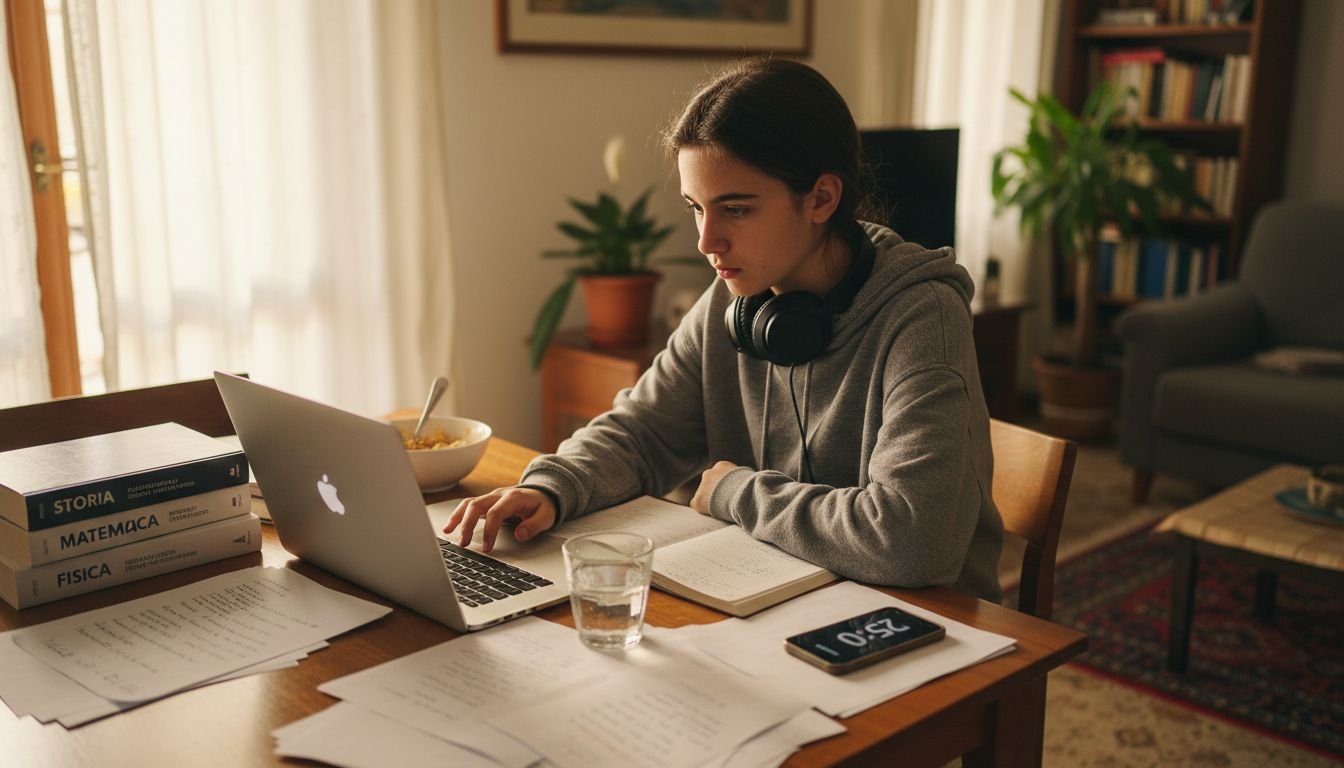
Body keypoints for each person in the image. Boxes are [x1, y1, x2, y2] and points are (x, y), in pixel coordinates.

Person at [446, 57, 1002, 602]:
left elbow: (910, 540)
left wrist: (736, 492)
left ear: (822, 198)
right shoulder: (735, 298)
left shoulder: (923, 315)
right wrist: (551, 486)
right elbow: (642, 431)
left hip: (929, 626)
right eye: (696, 207)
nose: (706, 243)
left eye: (735, 210)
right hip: (780, 594)